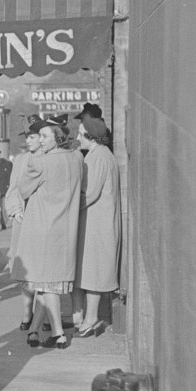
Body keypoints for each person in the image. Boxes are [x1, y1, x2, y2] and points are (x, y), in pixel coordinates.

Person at [11, 115, 83, 349]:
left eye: (44, 136)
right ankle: (34, 330)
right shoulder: (77, 159)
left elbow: (22, 190)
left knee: (46, 284)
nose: (40, 141)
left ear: (57, 137)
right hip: (66, 229)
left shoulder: (40, 163)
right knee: (46, 285)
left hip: (42, 230)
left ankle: (59, 334)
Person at [71, 117, 121, 337]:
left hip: (97, 224)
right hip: (96, 223)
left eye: (81, 134)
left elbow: (89, 193)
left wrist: (68, 206)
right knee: (91, 270)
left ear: (91, 136)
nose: (77, 137)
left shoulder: (98, 156)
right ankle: (87, 317)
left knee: (94, 271)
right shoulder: (100, 154)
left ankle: (91, 318)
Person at [5, 115, 45, 330]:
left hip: (44, 221)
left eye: (33, 136)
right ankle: (27, 311)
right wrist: (15, 211)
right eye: (27, 137)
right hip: (23, 221)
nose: (29, 141)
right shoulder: (20, 160)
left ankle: (43, 314)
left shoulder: (49, 157)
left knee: (44, 268)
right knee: (25, 269)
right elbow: (12, 191)